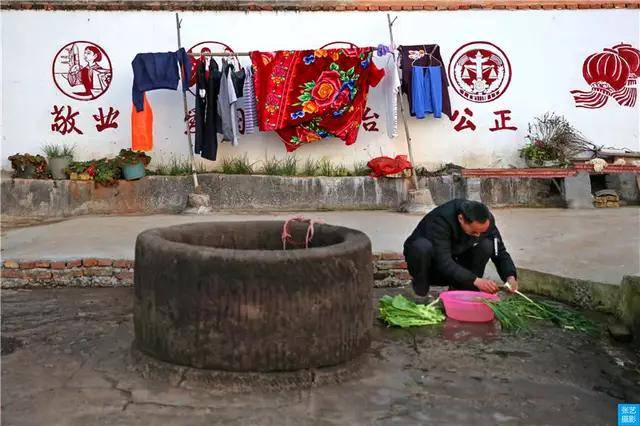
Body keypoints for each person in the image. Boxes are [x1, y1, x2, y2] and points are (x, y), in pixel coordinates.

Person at [403, 199, 518, 296]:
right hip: (433, 267)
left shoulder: (487, 223)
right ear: (461, 219)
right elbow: (443, 261)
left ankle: (465, 290)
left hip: (457, 261)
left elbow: (500, 253)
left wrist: (510, 276)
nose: (478, 235)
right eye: (474, 232)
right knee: (421, 247)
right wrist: (476, 280)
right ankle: (420, 291)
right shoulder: (441, 220)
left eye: (481, 231)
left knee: (487, 245)